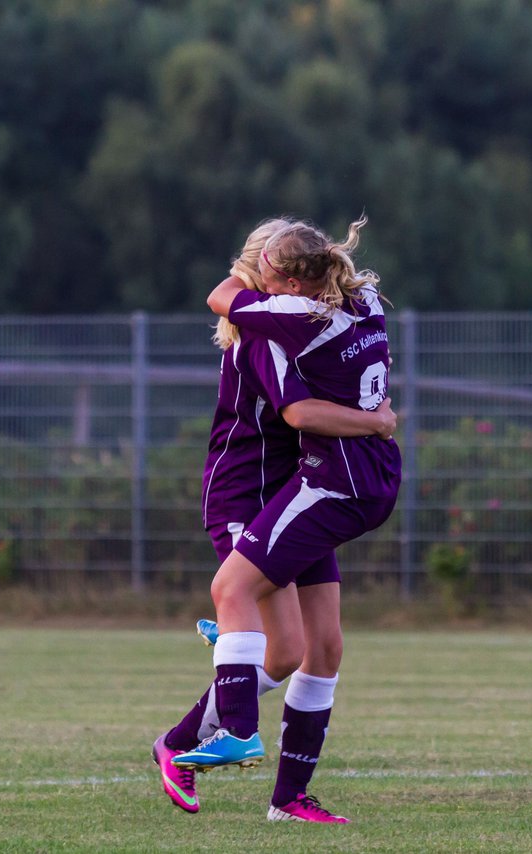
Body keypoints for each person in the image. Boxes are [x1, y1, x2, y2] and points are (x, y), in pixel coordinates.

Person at [152, 219, 396, 816]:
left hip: (299, 486)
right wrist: (375, 421)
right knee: (278, 641)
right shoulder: (267, 333)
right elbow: (295, 413)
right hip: (247, 492)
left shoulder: (299, 316)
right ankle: (203, 734)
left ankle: (279, 792)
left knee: (318, 648)